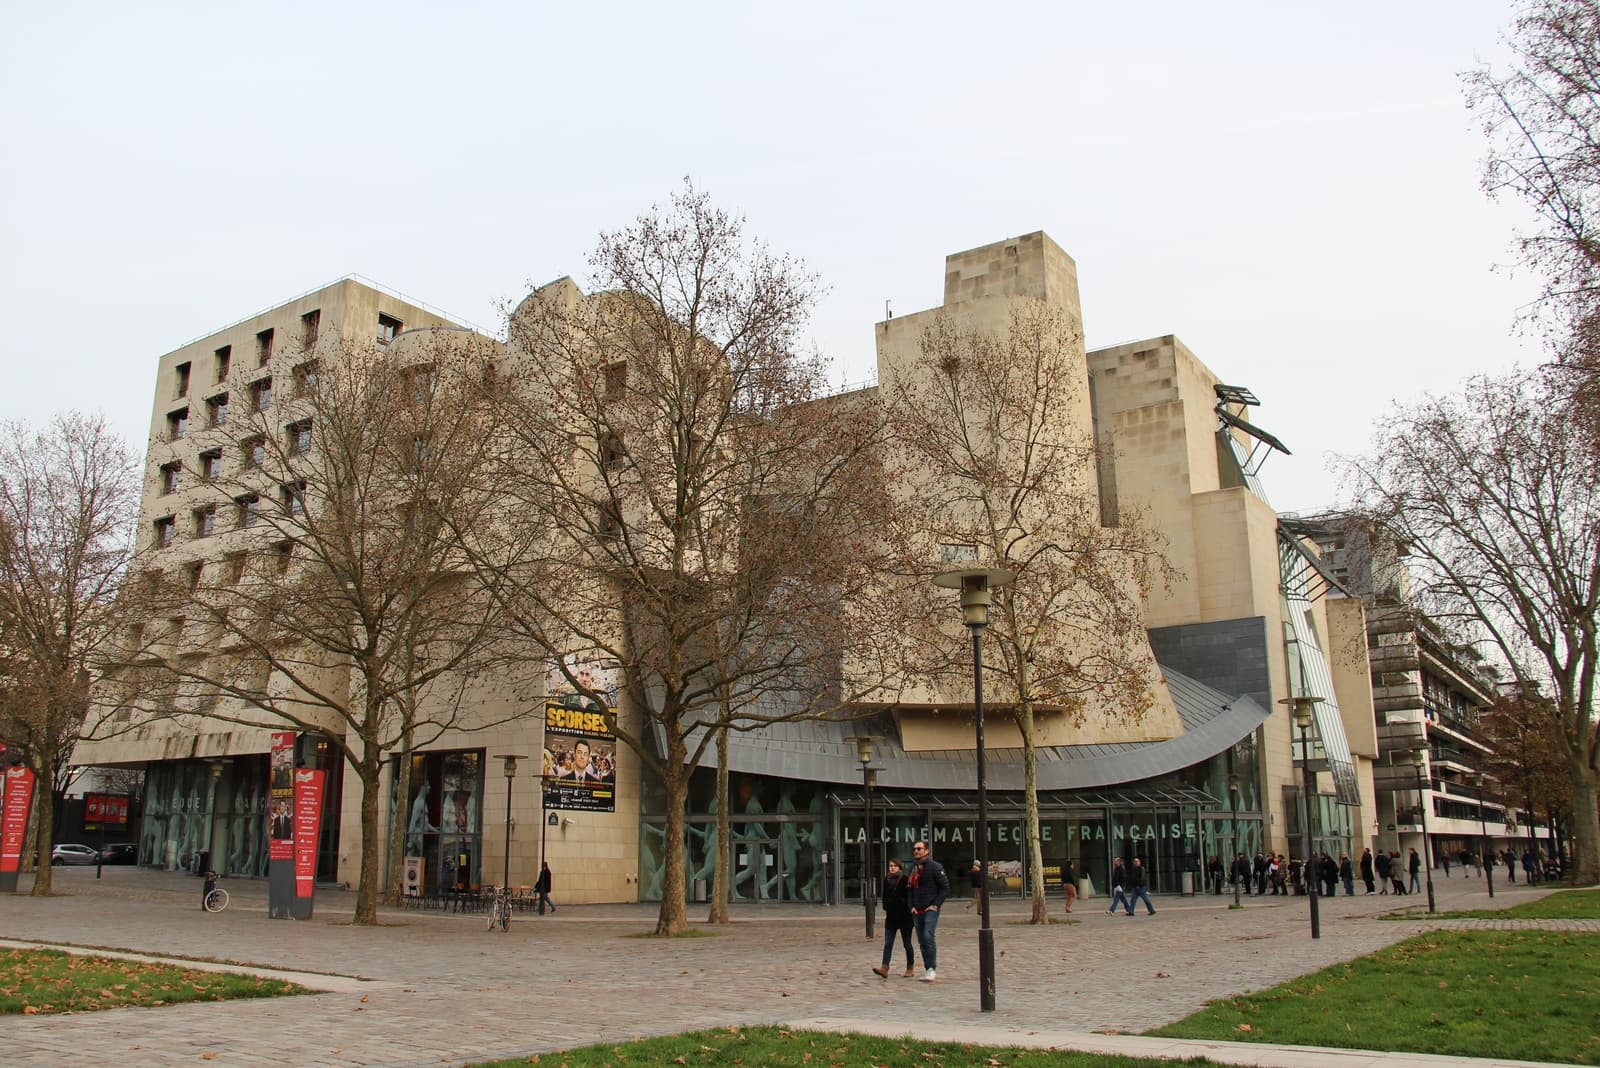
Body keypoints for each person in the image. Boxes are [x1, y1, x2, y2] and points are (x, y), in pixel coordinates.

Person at [906, 841, 948, 982]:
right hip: (917, 909)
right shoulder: (913, 867)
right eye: (914, 849)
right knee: (921, 940)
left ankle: (932, 969)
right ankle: (927, 968)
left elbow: (945, 888)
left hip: (930, 908)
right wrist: (911, 905)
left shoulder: (935, 867)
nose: (916, 851)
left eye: (919, 849)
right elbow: (910, 889)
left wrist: (936, 904)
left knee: (928, 936)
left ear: (926, 850)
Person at [872, 857, 915, 978]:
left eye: (894, 866)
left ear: (899, 867)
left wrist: (907, 907)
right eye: (890, 866)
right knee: (888, 943)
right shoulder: (886, 879)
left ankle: (910, 967)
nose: (892, 868)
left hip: (905, 918)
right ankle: (884, 967)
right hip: (891, 917)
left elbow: (910, 897)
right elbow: (884, 896)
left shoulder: (905, 879)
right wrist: (886, 906)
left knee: (907, 943)